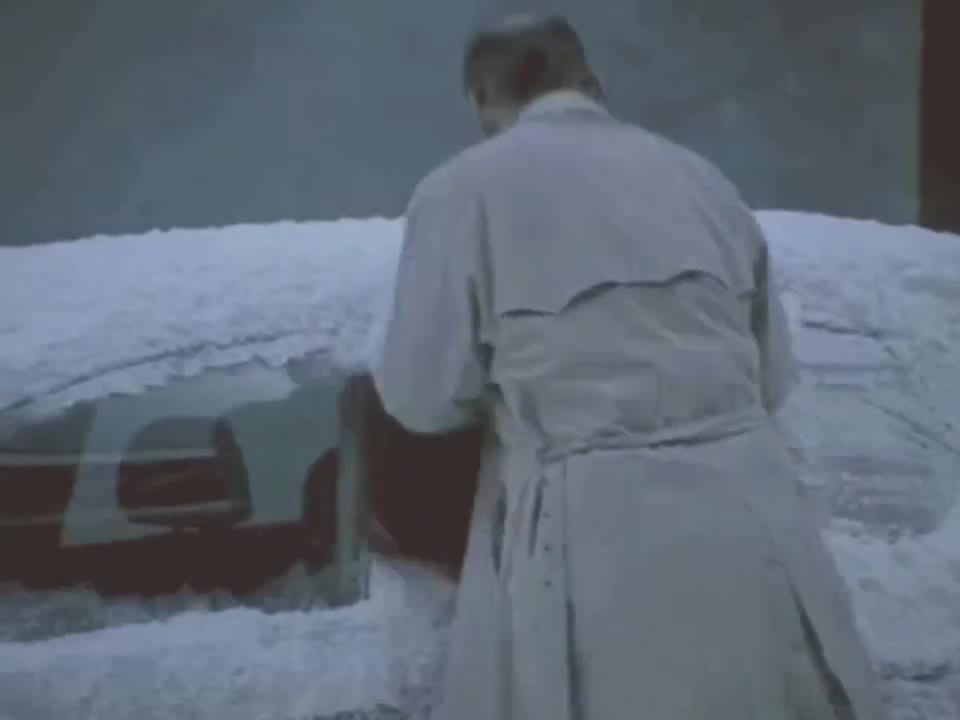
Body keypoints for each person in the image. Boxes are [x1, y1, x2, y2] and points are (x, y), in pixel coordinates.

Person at [372, 13, 888, 720]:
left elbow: (420, 396)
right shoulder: (701, 179)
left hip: (594, 543)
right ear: (594, 83)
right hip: (754, 524)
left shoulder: (461, 192)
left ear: (482, 101)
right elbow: (772, 377)